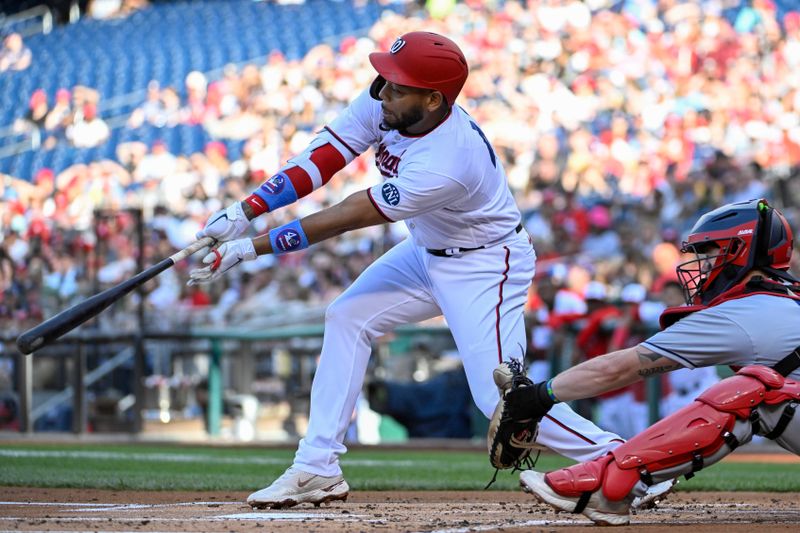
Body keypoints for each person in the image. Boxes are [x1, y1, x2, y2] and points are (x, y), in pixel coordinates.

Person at [189, 31, 631, 510]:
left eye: (398, 86)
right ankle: (316, 467)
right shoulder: (390, 98)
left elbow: (354, 212)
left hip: (485, 265)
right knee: (347, 316)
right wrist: (247, 208)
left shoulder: (449, 160)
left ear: (434, 98)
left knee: (501, 401)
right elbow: (325, 156)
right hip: (427, 250)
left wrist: (252, 248)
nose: (383, 91)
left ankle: (624, 460)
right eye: (386, 79)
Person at [508, 198, 800, 526]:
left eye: (709, 253)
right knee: (769, 392)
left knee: (753, 392)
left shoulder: (746, 311)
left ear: (739, 251)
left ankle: (612, 486)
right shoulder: (782, 301)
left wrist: (538, 397)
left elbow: (617, 368)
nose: (701, 265)